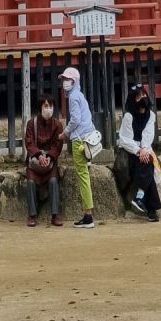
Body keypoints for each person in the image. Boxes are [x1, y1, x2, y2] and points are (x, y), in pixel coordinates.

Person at [117, 83, 161, 222]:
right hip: (130, 152)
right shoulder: (128, 117)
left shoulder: (151, 115)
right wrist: (139, 150)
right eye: (138, 97)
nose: (142, 98)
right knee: (147, 163)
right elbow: (124, 140)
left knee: (147, 161)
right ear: (132, 101)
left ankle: (140, 197)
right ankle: (151, 209)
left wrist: (144, 150)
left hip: (145, 150)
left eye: (143, 94)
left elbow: (148, 137)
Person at [60, 67, 97, 228]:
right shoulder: (80, 95)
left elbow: (75, 119)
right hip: (88, 137)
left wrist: (65, 133)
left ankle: (88, 215)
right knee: (84, 174)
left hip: (78, 140)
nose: (65, 82)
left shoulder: (73, 97)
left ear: (74, 81)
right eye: (64, 79)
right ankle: (87, 214)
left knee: (82, 176)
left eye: (68, 80)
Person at [24, 94, 65, 227]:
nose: (49, 109)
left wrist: (49, 157)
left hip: (50, 160)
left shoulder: (57, 125)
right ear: (40, 108)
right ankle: (32, 215)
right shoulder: (31, 124)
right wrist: (39, 155)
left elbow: (58, 145)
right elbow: (29, 143)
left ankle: (55, 214)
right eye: (46, 106)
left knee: (53, 181)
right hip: (35, 160)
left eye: (51, 106)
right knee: (30, 182)